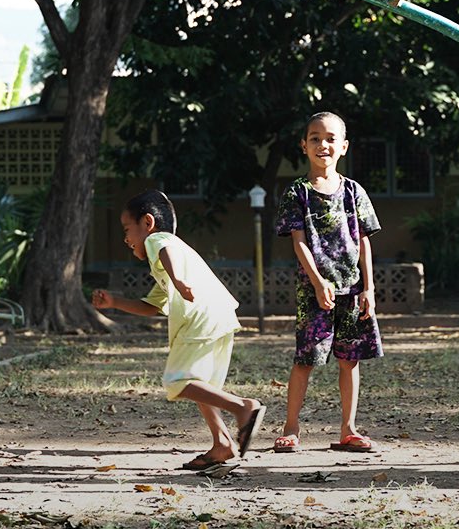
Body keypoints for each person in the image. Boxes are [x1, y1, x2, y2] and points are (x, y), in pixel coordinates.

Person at [91, 189, 265, 473]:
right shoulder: (168, 260)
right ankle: (222, 443)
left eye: (127, 229)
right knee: (199, 386)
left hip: (200, 318)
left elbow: (164, 248)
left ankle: (242, 407)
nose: (125, 239)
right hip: (218, 314)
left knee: (177, 381)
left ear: (147, 223)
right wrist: (114, 303)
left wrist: (179, 280)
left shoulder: (159, 241)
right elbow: (152, 306)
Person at [272, 111, 382, 453]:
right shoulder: (298, 192)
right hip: (314, 291)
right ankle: (291, 428)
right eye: (315, 138)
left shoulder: (353, 191)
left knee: (350, 360)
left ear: (344, 147)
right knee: (306, 359)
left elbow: (364, 239)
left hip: (352, 289)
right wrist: (318, 282)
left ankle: (348, 429)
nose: (323, 144)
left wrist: (369, 287)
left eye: (331, 138)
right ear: (304, 145)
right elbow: (299, 241)